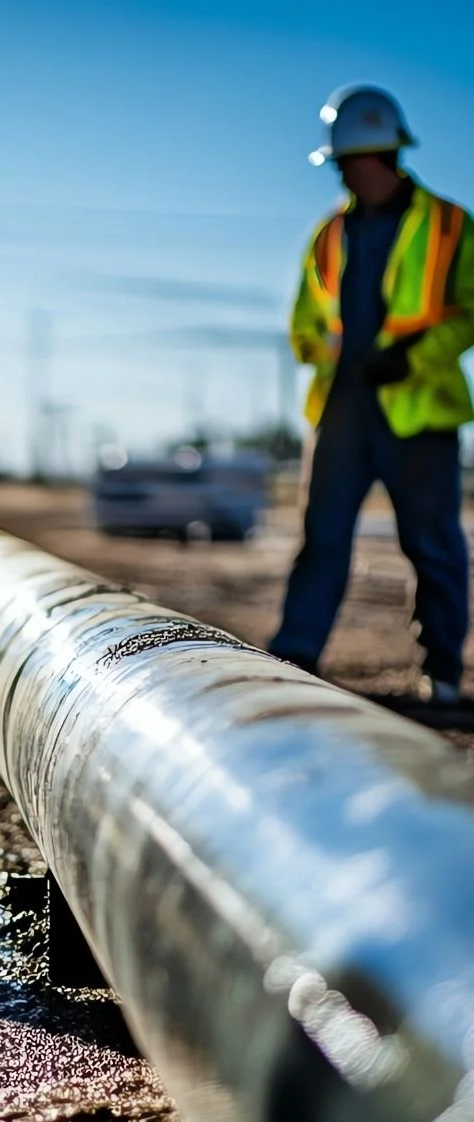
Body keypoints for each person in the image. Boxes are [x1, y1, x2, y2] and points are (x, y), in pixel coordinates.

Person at [269, 87, 474, 703]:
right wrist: (319, 351)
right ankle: (294, 661)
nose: (339, 173)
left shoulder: (449, 225)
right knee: (322, 540)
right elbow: (304, 323)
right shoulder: (329, 233)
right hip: (342, 413)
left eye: (345, 161)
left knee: (432, 544)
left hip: (416, 412)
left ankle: (442, 676)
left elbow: (469, 311)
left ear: (378, 155)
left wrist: (413, 355)